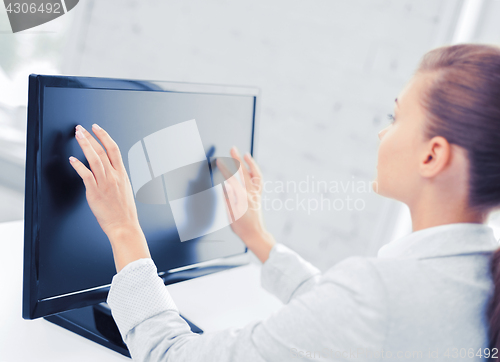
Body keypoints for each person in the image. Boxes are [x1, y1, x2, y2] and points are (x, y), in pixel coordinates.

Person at [68, 43, 500, 361]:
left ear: (433, 155)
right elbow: (349, 319)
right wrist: (257, 238)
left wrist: (124, 228)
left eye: (396, 117)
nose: (382, 133)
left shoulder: (381, 293)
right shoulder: (473, 277)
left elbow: (170, 354)